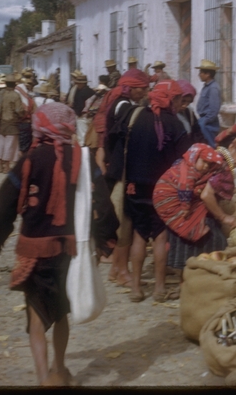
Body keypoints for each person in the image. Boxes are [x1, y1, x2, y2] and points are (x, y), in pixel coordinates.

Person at [0, 103, 118, 386]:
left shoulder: (30, 159)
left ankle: (44, 376)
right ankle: (60, 368)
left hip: (35, 250)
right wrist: (107, 240)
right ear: (69, 125)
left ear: (39, 124)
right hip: (72, 251)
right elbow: (103, 204)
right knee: (60, 312)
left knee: (36, 317)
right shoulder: (83, 159)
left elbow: (6, 201)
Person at [155, 123, 236, 273]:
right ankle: (194, 274)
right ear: (233, 146)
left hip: (169, 197)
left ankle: (185, 274)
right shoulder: (222, 166)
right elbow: (206, 195)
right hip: (175, 200)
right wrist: (224, 217)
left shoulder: (213, 155)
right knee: (216, 240)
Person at [119, 80, 187, 302]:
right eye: (177, 98)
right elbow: (185, 160)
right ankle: (159, 289)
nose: (179, 103)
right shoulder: (175, 124)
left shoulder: (136, 118)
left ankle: (136, 289)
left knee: (139, 235)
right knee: (160, 237)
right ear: (170, 99)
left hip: (135, 187)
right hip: (163, 189)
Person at [98, 69, 151, 286]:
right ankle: (122, 270)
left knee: (125, 219)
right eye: (143, 89)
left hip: (120, 168)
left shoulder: (122, 102)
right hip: (121, 170)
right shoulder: (124, 106)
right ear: (133, 87)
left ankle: (116, 269)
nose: (145, 93)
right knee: (124, 221)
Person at [0, 76, 26, 174]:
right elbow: (18, 110)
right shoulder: (15, 95)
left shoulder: (1, 94)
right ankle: (7, 167)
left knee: (1, 144)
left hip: (1, 122)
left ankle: (0, 166)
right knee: (10, 145)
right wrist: (23, 113)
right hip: (12, 123)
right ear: (14, 84)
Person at [195, 60, 221, 147]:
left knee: (211, 147)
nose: (199, 74)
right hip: (203, 120)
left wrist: (204, 122)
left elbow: (214, 110)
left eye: (201, 72)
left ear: (208, 74)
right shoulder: (207, 86)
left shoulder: (213, 88)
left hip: (208, 124)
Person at [175, 79, 205, 145]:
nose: (185, 105)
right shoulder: (168, 115)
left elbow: (198, 133)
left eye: (188, 102)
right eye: (183, 101)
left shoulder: (189, 112)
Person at [70, 73, 95, 146]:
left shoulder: (81, 93)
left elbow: (80, 107)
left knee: (82, 138)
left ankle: (84, 154)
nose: (77, 85)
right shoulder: (91, 91)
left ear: (82, 84)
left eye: (78, 83)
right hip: (91, 116)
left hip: (82, 117)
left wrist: (75, 114)